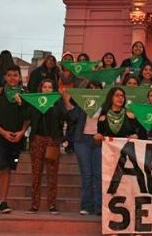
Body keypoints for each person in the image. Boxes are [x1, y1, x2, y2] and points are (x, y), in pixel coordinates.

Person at [0, 65, 29, 214]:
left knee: (8, 169)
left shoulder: (25, 95)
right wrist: (3, 132)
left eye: (15, 75)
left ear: (20, 77)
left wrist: (22, 132)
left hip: (16, 141)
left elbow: (28, 118)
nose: (12, 78)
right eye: (9, 75)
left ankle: (3, 201)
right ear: (5, 77)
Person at [60, 81, 103, 216]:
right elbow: (72, 118)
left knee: (98, 174)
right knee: (87, 174)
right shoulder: (81, 103)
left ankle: (99, 207)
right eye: (90, 88)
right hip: (82, 140)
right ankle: (86, 206)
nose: (93, 90)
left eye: (96, 88)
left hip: (99, 140)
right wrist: (67, 102)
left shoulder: (105, 105)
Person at [25, 79, 64, 214]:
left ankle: (52, 204)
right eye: (44, 87)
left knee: (52, 174)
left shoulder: (57, 102)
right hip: (37, 139)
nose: (47, 89)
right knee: (36, 173)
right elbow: (27, 116)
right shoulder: (35, 102)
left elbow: (65, 116)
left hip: (52, 141)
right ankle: (34, 204)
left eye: (50, 87)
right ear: (40, 88)